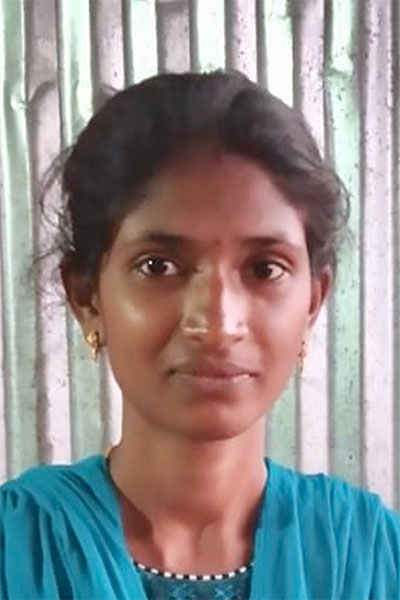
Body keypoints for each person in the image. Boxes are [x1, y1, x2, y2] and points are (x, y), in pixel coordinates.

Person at [0, 70, 399, 600]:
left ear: (312, 301)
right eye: (158, 266)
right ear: (87, 297)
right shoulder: (18, 553)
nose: (217, 325)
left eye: (265, 269)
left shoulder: (371, 559)